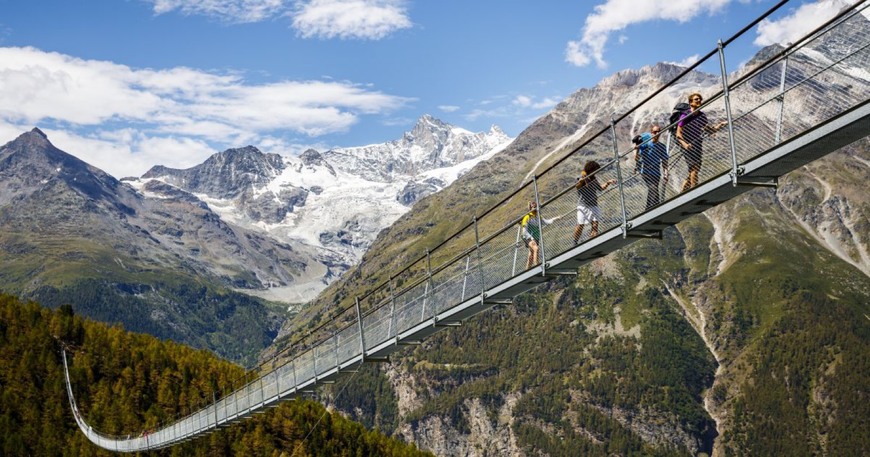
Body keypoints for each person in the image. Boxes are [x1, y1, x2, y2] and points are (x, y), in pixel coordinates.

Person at [675, 93, 727, 191]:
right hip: (687, 144)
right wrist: (685, 144)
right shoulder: (685, 115)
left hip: (697, 144)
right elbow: (678, 133)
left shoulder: (702, 116)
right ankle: (694, 189)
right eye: (696, 99)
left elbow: (710, 130)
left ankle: (683, 191)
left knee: (696, 169)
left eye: (699, 99)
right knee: (694, 167)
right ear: (690, 102)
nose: (699, 101)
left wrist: (720, 125)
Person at [573, 160, 616, 244]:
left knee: (595, 225)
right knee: (580, 225)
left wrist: (608, 183)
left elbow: (600, 188)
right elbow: (577, 186)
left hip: (593, 205)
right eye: (595, 170)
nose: (596, 172)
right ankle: (575, 242)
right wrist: (582, 180)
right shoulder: (581, 177)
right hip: (583, 205)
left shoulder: (594, 179)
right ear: (591, 169)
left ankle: (593, 242)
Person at [634, 125, 669, 210]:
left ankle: (649, 211)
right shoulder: (646, 144)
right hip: (646, 172)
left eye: (658, 132)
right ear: (651, 133)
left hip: (656, 174)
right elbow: (637, 158)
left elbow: (665, 162)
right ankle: (653, 211)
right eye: (654, 132)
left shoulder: (662, 147)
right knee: (653, 189)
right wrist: (637, 149)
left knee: (653, 191)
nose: (656, 134)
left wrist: (666, 174)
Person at [521, 201, 552, 269]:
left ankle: (527, 270)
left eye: (536, 207)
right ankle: (537, 265)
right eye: (533, 207)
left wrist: (556, 218)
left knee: (531, 254)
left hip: (535, 236)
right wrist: (531, 238)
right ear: (530, 208)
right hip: (527, 236)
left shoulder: (538, 217)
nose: (535, 208)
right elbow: (524, 231)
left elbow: (546, 222)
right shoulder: (527, 217)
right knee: (536, 248)